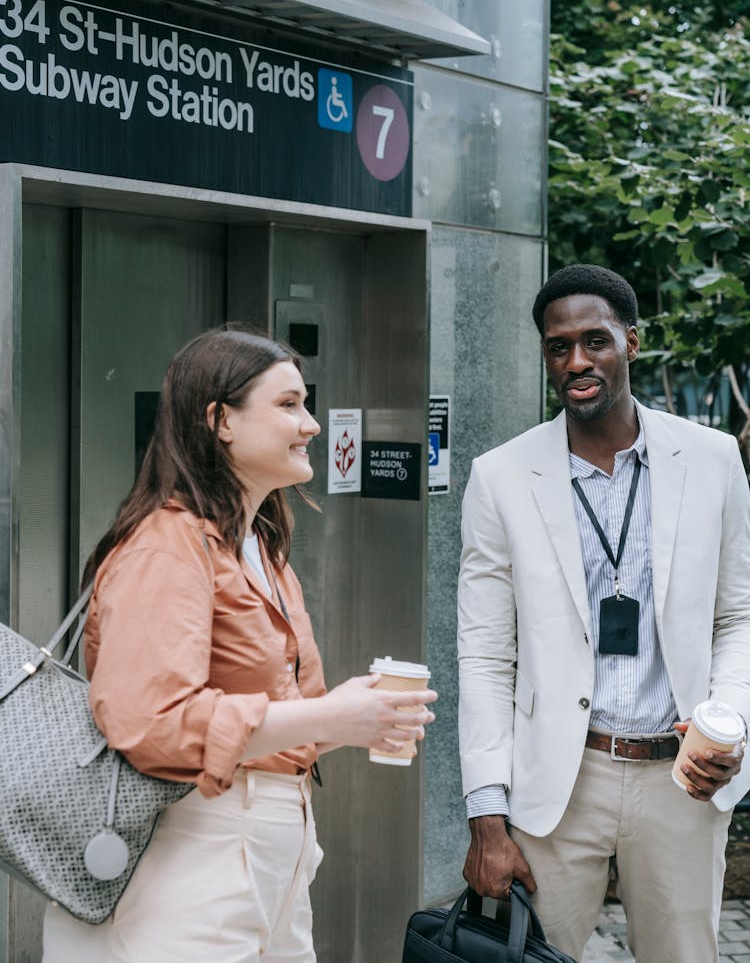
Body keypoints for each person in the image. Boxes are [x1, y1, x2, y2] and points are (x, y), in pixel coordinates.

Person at [43, 326, 436, 963]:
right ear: (220, 419)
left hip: (271, 856)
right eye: (288, 405)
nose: (311, 424)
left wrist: (357, 721)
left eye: (306, 404)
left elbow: (271, 728)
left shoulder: (261, 550)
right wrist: (330, 715)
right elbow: (150, 721)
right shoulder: (167, 544)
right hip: (194, 854)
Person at [457, 264, 750, 963]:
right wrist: (485, 816)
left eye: (596, 340)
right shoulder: (500, 476)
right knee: (524, 956)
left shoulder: (711, 460)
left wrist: (729, 726)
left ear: (632, 342)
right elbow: (486, 653)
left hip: (681, 779)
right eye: (560, 347)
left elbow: (738, 614)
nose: (577, 360)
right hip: (557, 782)